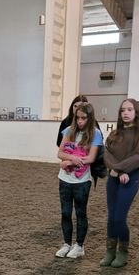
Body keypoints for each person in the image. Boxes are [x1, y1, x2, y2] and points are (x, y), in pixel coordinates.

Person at [100, 98, 139, 268]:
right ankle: (110, 251)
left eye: (129, 109)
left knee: (119, 217)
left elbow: (138, 157)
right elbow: (107, 153)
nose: (126, 113)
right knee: (111, 217)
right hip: (114, 177)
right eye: (123, 110)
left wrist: (122, 170)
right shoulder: (115, 133)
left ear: (136, 112)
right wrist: (117, 171)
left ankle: (123, 252)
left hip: (131, 178)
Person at [55, 103, 103, 259]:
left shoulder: (95, 133)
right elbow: (60, 152)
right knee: (66, 213)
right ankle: (67, 244)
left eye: (84, 118)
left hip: (82, 181)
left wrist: (68, 162)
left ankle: (79, 245)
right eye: (78, 117)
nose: (80, 121)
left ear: (90, 118)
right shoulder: (69, 131)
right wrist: (72, 159)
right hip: (64, 179)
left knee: (81, 213)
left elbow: (91, 158)